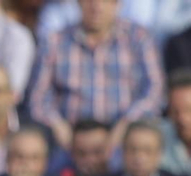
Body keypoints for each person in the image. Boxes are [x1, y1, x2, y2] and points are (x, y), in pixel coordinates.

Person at [29, 0, 164, 153]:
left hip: (122, 142)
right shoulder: (55, 42)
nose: (96, 6)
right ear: (78, 3)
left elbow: (155, 92)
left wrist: (126, 124)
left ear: (116, 4)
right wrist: (57, 125)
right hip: (69, 143)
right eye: (89, 0)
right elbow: (38, 99)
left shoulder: (139, 38)